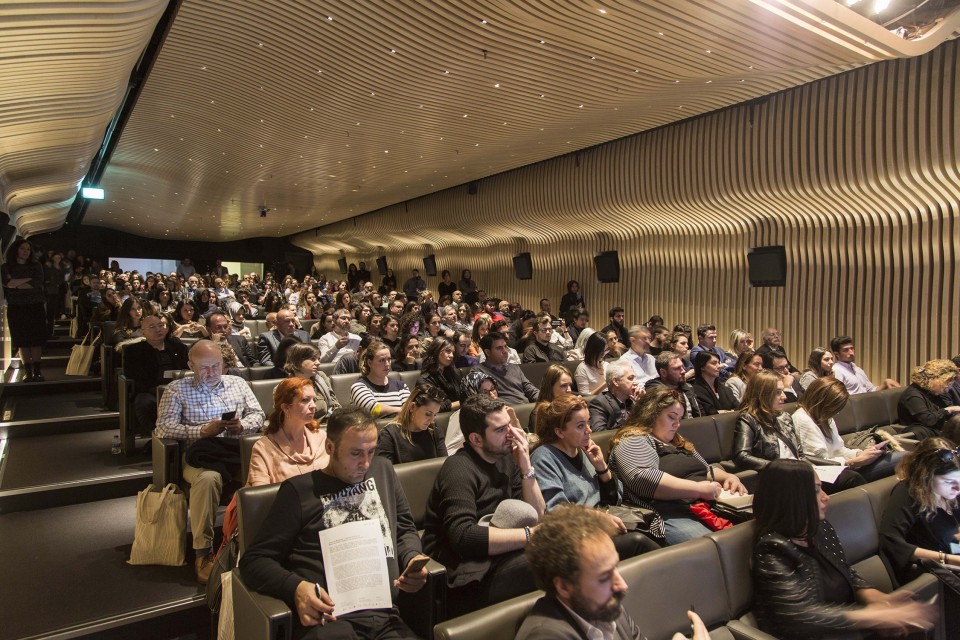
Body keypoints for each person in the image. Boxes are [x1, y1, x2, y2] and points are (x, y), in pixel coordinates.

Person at [239, 407, 427, 639]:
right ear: (330, 447)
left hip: (385, 617)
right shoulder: (299, 492)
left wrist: (411, 556)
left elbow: (405, 529)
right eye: (356, 454)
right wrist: (296, 587)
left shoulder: (383, 471)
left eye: (371, 451)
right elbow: (254, 561)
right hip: (329, 621)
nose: (365, 463)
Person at [752, 459, 936, 640]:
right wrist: (873, 617)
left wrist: (875, 597)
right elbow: (798, 615)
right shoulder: (772, 548)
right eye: (816, 490)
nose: (826, 496)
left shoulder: (820, 528)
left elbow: (844, 571)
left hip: (843, 627)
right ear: (793, 498)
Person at [422, 394, 546, 615]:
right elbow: (463, 536)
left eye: (509, 426)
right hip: (466, 574)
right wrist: (530, 535)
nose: (511, 434)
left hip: (501, 556)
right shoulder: (458, 469)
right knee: (550, 560)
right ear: (476, 439)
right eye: (500, 430)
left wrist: (526, 467)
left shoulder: (507, 459)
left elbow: (537, 515)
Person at [155, 340, 265, 583]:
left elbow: (258, 414)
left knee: (268, 468)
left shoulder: (237, 383)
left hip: (234, 452)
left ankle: (258, 544)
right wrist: (202, 431)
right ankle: (203, 553)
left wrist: (242, 426)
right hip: (199, 457)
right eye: (204, 367)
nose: (212, 372)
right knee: (208, 479)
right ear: (190, 366)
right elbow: (163, 428)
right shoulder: (176, 389)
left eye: (216, 366)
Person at [517, 504, 707, 640]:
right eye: (604, 577)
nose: (622, 585)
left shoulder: (605, 607)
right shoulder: (544, 636)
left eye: (615, 568)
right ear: (564, 587)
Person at [609, 388, 747, 545]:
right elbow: (643, 478)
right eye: (671, 417)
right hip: (670, 513)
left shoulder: (677, 441)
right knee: (722, 546)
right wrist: (699, 489)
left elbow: (704, 469)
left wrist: (729, 477)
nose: (677, 424)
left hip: (706, 504)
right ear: (651, 414)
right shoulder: (633, 439)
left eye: (680, 418)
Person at [531, 395, 659, 559]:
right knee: (638, 542)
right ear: (560, 432)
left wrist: (601, 468)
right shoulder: (543, 458)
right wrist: (597, 517)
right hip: (576, 535)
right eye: (580, 426)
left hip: (602, 522)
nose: (589, 431)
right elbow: (555, 512)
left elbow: (615, 499)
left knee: (653, 530)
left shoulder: (583, 450)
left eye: (588, 422)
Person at [733, 370, 863, 493]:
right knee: (852, 478)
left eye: (783, 391)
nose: (784, 397)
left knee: (852, 473)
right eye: (778, 392)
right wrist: (782, 467)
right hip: (780, 476)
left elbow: (800, 456)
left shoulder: (784, 417)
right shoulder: (748, 418)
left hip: (800, 471)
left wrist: (835, 465)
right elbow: (742, 456)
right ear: (763, 394)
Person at [880, 437, 960, 587]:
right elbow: (890, 541)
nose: (958, 488)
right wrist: (949, 559)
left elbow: (953, 541)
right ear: (926, 475)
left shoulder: (952, 494)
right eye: (949, 481)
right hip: (933, 573)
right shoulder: (907, 493)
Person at [793, 377, 900, 482]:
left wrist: (860, 453)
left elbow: (840, 450)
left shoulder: (825, 418)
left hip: (844, 467)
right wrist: (855, 462)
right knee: (901, 458)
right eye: (835, 407)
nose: (837, 412)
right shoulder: (802, 419)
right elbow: (820, 463)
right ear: (822, 402)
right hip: (829, 475)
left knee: (896, 457)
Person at [247, 377, 329, 486]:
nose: (313, 406)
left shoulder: (323, 438)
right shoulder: (263, 448)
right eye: (305, 400)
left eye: (314, 400)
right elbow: (261, 493)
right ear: (286, 407)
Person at [124, 313, 190, 433]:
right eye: (152, 327)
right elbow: (136, 377)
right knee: (144, 402)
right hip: (150, 391)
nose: (158, 329)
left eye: (160, 325)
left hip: (179, 389)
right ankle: (157, 436)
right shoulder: (134, 351)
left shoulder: (178, 347)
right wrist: (160, 390)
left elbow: (187, 370)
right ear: (143, 332)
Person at [2, 239, 47, 381]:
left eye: (28, 249)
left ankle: (37, 371)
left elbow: (37, 282)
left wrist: (16, 283)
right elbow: (7, 283)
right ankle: (28, 371)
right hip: (16, 306)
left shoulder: (36, 265)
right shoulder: (6, 267)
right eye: (22, 248)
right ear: (16, 249)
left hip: (35, 305)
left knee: (36, 339)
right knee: (21, 340)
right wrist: (27, 279)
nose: (25, 251)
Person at [376, 384, 448, 464]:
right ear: (412, 407)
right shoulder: (388, 435)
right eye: (428, 414)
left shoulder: (434, 430)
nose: (432, 421)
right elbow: (385, 470)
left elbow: (444, 465)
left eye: (435, 415)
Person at [897, 359, 960, 440]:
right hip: (921, 439)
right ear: (934, 379)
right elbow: (928, 421)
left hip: (935, 434)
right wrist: (949, 409)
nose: (947, 389)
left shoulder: (932, 392)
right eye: (947, 384)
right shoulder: (912, 396)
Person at [351, 341, 410, 418]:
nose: (387, 364)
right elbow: (374, 409)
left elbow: (410, 409)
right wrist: (401, 411)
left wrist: (405, 411)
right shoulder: (359, 387)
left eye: (389, 359)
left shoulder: (401, 386)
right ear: (370, 363)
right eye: (382, 360)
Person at [282, 342, 340, 421]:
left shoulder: (321, 377)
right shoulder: (285, 387)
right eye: (313, 359)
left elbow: (335, 404)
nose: (318, 363)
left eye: (318, 359)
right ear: (298, 361)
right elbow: (286, 419)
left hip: (329, 423)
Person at [476, 333, 539, 405]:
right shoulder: (478, 373)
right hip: (503, 409)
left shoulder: (514, 367)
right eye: (499, 348)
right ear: (488, 352)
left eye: (505, 347)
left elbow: (530, 389)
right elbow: (485, 401)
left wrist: (543, 398)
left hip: (526, 407)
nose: (505, 351)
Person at [830, 335, 900, 394]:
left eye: (852, 348)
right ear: (837, 354)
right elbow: (837, 397)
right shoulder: (836, 370)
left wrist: (885, 383)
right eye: (846, 350)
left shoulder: (857, 369)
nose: (851, 353)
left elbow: (871, 391)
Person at [645, 351, 702, 418]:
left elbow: (701, 413)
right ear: (663, 373)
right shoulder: (656, 394)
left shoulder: (688, 387)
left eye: (682, 367)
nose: (683, 371)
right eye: (677, 368)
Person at [588, 361, 642, 433]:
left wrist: (643, 404)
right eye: (630, 378)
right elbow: (599, 434)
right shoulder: (599, 403)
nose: (636, 382)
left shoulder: (634, 400)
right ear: (615, 381)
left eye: (635, 378)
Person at [416, 336, 462, 412]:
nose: (451, 355)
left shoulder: (455, 374)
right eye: (448, 351)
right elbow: (434, 407)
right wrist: (461, 403)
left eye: (453, 352)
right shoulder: (425, 379)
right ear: (436, 351)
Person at [529, 364, 574, 432]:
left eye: (570, 385)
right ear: (550, 388)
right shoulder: (538, 415)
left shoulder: (570, 408)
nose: (569, 390)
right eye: (563, 386)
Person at [574, 331, 608, 395]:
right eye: (601, 352)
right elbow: (584, 396)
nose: (603, 354)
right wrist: (604, 385)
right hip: (594, 400)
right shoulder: (582, 369)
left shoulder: (606, 365)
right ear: (593, 350)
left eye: (605, 351)